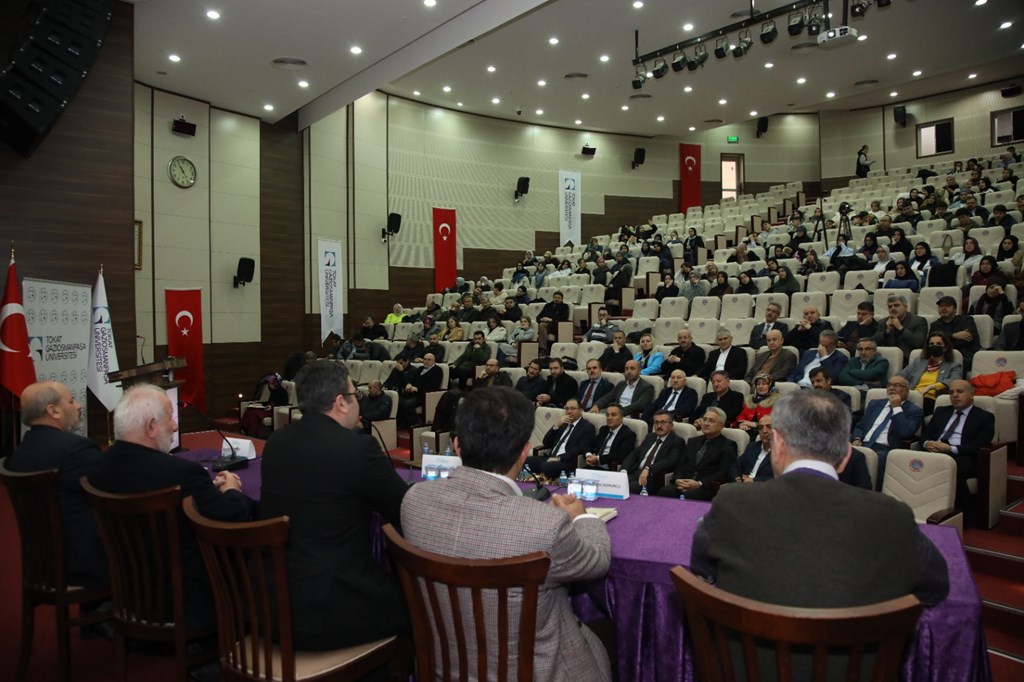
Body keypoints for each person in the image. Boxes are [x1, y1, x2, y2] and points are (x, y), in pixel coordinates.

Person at [401, 387, 613, 681]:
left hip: (444, 667)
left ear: (457, 445)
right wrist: (582, 518)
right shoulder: (546, 525)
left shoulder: (413, 501)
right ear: (524, 451)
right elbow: (596, 561)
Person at [690, 389, 950, 608]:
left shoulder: (731, 502)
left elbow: (705, 573)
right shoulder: (893, 516)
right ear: (846, 455)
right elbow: (935, 589)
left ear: (777, 446)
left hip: (747, 651)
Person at [260, 361, 409, 650]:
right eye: (355, 395)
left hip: (273, 604)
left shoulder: (277, 442)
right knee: (419, 606)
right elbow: (402, 508)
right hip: (333, 610)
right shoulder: (358, 448)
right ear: (341, 402)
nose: (358, 402)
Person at [87, 384, 251, 630]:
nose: (175, 426)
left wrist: (203, 492)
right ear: (152, 426)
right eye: (170, 418)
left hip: (127, 594)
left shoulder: (98, 468)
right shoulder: (182, 473)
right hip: (185, 601)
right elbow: (231, 518)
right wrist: (231, 490)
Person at [8, 381, 107, 589]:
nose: (78, 406)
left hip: (42, 563)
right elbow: (109, 493)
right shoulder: (77, 450)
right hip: (85, 563)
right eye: (71, 401)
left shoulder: (20, 454)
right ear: (53, 411)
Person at [921, 380, 996, 509]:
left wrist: (950, 448)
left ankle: (960, 513)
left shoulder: (984, 417)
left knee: (951, 469)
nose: (955, 395)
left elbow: (979, 445)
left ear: (971, 394)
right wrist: (927, 443)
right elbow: (925, 435)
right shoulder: (941, 411)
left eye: (960, 391)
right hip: (934, 452)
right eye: (951, 392)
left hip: (963, 456)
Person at [851, 376, 924, 490]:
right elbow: (860, 426)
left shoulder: (914, 411)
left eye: (897, 385)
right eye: (889, 385)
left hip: (885, 449)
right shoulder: (875, 404)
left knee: (875, 460)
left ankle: (871, 495)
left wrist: (897, 408)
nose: (891, 388)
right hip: (862, 444)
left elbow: (905, 433)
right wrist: (856, 438)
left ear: (906, 391)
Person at [657, 405, 737, 501]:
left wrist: (699, 483)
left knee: (688, 497)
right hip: (685, 483)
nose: (706, 423)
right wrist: (677, 479)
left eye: (711, 421)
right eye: (704, 419)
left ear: (721, 425)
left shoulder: (727, 445)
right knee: (665, 491)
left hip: (706, 487)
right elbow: (681, 464)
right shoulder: (693, 441)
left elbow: (723, 472)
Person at [526, 398, 597, 478]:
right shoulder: (562, 423)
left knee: (547, 466)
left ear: (580, 410)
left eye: (573, 408)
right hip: (550, 457)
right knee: (527, 461)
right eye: (567, 408)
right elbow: (546, 443)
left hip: (567, 461)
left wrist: (559, 458)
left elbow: (581, 448)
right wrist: (555, 426)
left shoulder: (587, 427)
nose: (569, 411)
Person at [621, 410, 685, 495]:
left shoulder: (676, 441)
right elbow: (635, 454)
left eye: (663, 422)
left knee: (630, 487)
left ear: (671, 425)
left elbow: (671, 460)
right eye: (656, 422)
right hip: (636, 473)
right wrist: (624, 470)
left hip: (653, 477)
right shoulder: (650, 437)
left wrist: (649, 468)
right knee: (616, 483)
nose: (659, 426)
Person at [898, 331, 963, 413]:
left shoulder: (953, 365)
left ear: (945, 347)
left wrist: (929, 387)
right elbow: (901, 375)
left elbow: (955, 381)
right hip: (912, 395)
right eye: (931, 344)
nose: (935, 346)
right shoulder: (919, 362)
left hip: (931, 398)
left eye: (939, 344)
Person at [582, 404, 637, 471]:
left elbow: (620, 455)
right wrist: (588, 455)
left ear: (621, 417)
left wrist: (598, 459)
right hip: (594, 467)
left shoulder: (628, 434)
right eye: (607, 415)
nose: (609, 418)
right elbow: (588, 443)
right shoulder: (604, 429)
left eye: (613, 415)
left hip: (610, 470)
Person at [874, 293, 927, 362]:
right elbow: (873, 343)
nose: (893, 308)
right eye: (890, 307)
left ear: (906, 307)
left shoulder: (919, 321)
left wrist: (901, 328)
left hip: (909, 361)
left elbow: (919, 343)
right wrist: (887, 331)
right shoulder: (883, 322)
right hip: (886, 360)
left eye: (896, 305)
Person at [930, 296, 980, 368]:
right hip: (942, 356)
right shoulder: (935, 325)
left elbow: (968, 339)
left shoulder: (966, 320)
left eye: (947, 306)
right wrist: (953, 335)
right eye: (941, 306)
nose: (943, 308)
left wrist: (944, 342)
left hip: (965, 356)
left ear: (955, 309)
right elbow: (933, 343)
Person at [397, 353, 443, 428]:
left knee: (407, 404)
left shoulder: (437, 370)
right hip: (413, 393)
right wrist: (409, 384)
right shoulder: (420, 368)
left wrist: (417, 389)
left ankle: (415, 424)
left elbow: (433, 386)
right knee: (398, 400)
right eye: (425, 359)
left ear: (434, 361)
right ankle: (403, 423)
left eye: (429, 360)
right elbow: (412, 379)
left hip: (424, 395)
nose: (426, 361)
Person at [730, 415, 774, 483]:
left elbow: (782, 478)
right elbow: (735, 466)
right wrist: (737, 477)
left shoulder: (783, 451)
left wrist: (754, 480)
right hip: (742, 485)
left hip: (765, 487)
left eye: (769, 427)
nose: (764, 431)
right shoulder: (752, 446)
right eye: (760, 427)